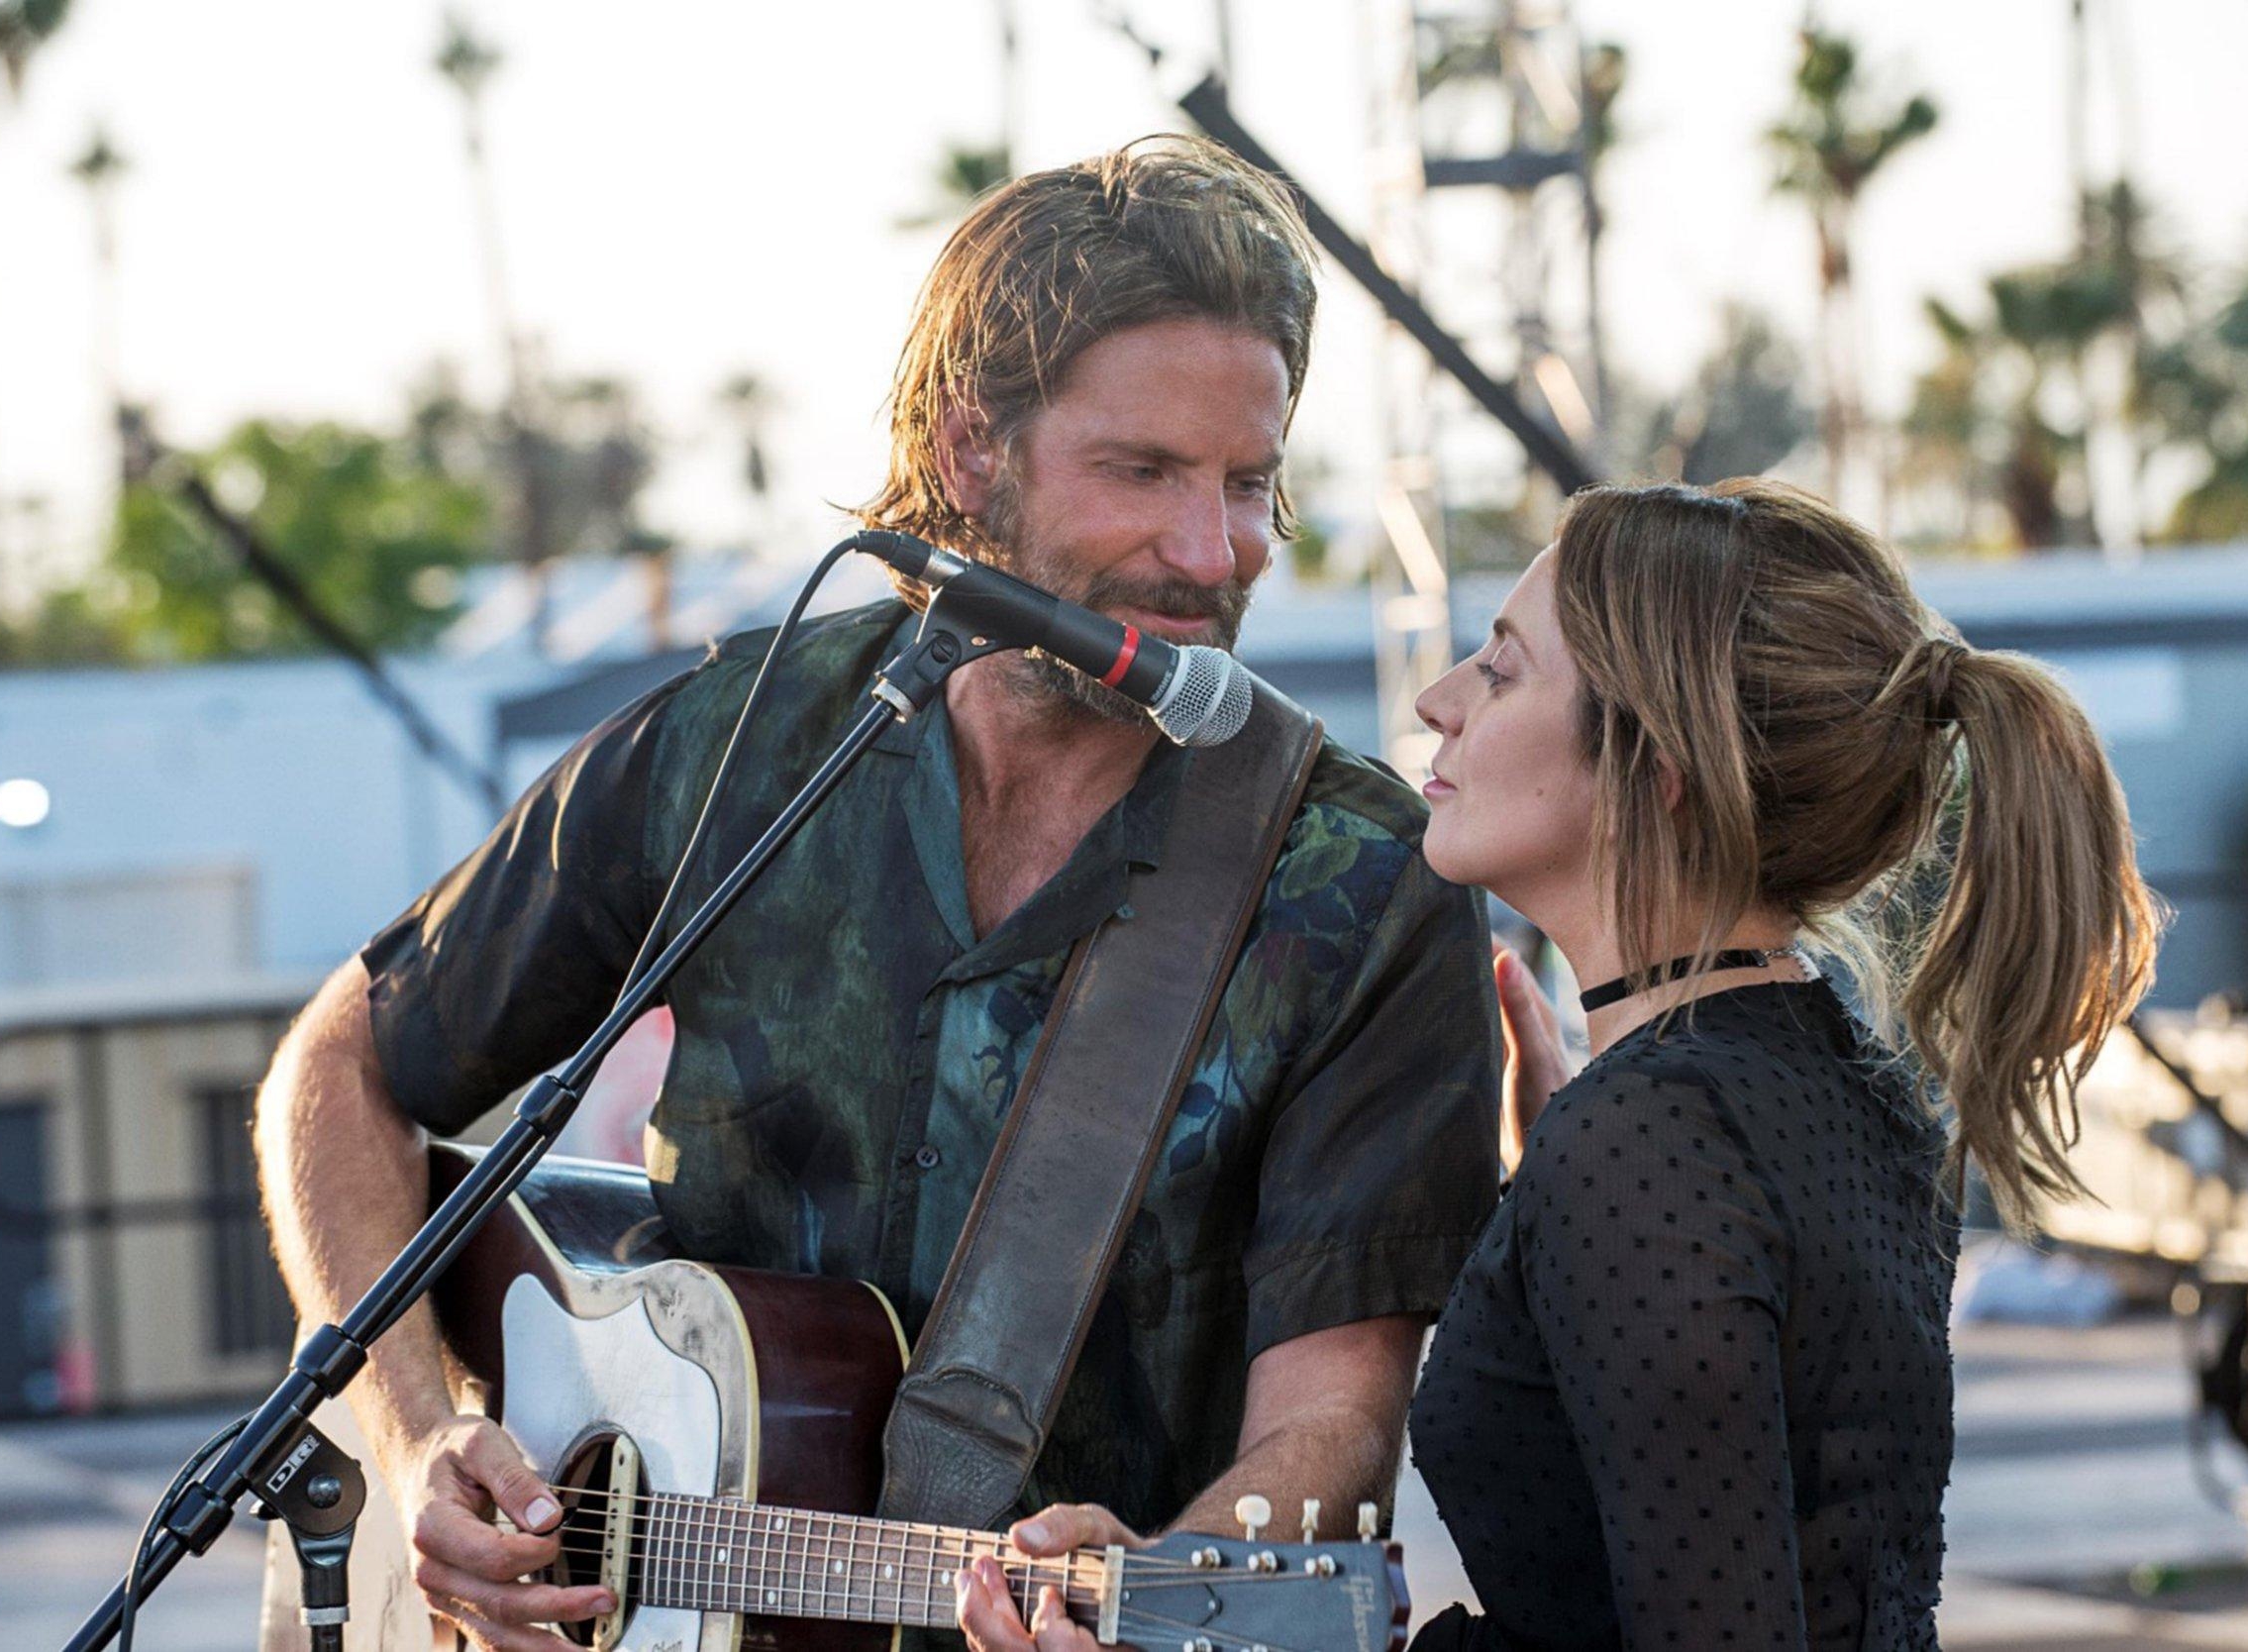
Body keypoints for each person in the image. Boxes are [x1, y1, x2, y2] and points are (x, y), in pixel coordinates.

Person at [253, 136, 1500, 1652]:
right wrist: (412, 1440)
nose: (1209, 550)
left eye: (1249, 481)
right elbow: (346, 1068)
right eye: (1143, 471)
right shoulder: (746, 742)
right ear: (971, 449)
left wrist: (1163, 1582)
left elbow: (1338, 1438)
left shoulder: (1359, 881)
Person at [958, 477, 2161, 1651]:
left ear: (1655, 770)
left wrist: (1598, 1181)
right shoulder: (1828, 1077)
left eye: (1500, 666)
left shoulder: (1652, 1146)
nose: (1437, 701)